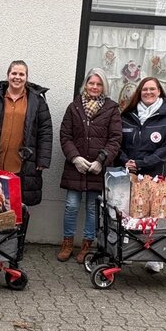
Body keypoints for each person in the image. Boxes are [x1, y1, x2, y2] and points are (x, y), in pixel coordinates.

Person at [58, 68, 122, 263]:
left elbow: (116, 139)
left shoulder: (111, 109)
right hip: (75, 168)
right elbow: (65, 136)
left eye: (98, 84)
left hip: (97, 169)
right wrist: (75, 158)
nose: (94, 87)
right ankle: (67, 243)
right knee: (71, 206)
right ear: (85, 84)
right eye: (91, 83)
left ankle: (87, 245)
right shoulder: (74, 107)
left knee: (93, 209)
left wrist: (101, 160)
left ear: (104, 86)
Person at [118, 76, 166, 272]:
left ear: (160, 92)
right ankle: (128, 251)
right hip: (130, 174)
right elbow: (116, 142)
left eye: (152, 89)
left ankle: (155, 258)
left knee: (155, 216)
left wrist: (142, 163)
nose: (148, 93)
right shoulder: (127, 115)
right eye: (144, 90)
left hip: (155, 177)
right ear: (139, 92)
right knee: (128, 214)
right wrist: (125, 161)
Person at [0, 60, 53, 206]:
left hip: (22, 165)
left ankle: (17, 230)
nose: (17, 77)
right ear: (8, 75)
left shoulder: (36, 101)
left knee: (16, 208)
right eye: (14, 73)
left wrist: (42, 160)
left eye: (21, 74)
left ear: (26, 77)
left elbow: (45, 130)